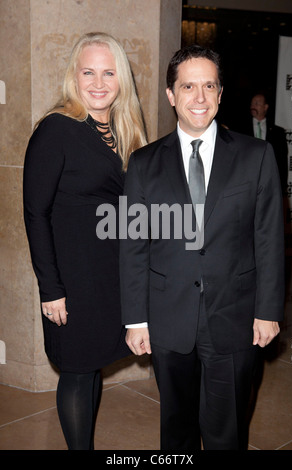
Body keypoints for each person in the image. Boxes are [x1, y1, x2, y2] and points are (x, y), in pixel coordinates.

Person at [120, 44, 285, 450]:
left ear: (221, 93)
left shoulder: (257, 156)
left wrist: (267, 310)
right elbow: (133, 246)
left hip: (235, 315)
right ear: (171, 95)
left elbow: (268, 239)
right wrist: (135, 318)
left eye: (209, 85)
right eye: (188, 86)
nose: (199, 97)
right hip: (167, 317)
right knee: (176, 430)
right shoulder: (143, 164)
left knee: (227, 430)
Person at [23, 32, 147, 450]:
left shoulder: (123, 128)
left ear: (121, 79)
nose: (98, 82)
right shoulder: (56, 129)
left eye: (108, 72)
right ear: (73, 77)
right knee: (77, 370)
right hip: (73, 282)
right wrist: (51, 289)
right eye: (88, 72)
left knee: (91, 365)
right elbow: (35, 214)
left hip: (109, 278)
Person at [240, 92, 288, 193]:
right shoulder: (240, 129)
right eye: (252, 104)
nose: (253, 106)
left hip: (269, 182)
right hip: (246, 182)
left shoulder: (278, 132)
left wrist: (282, 185)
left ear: (265, 107)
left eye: (257, 104)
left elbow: (282, 160)